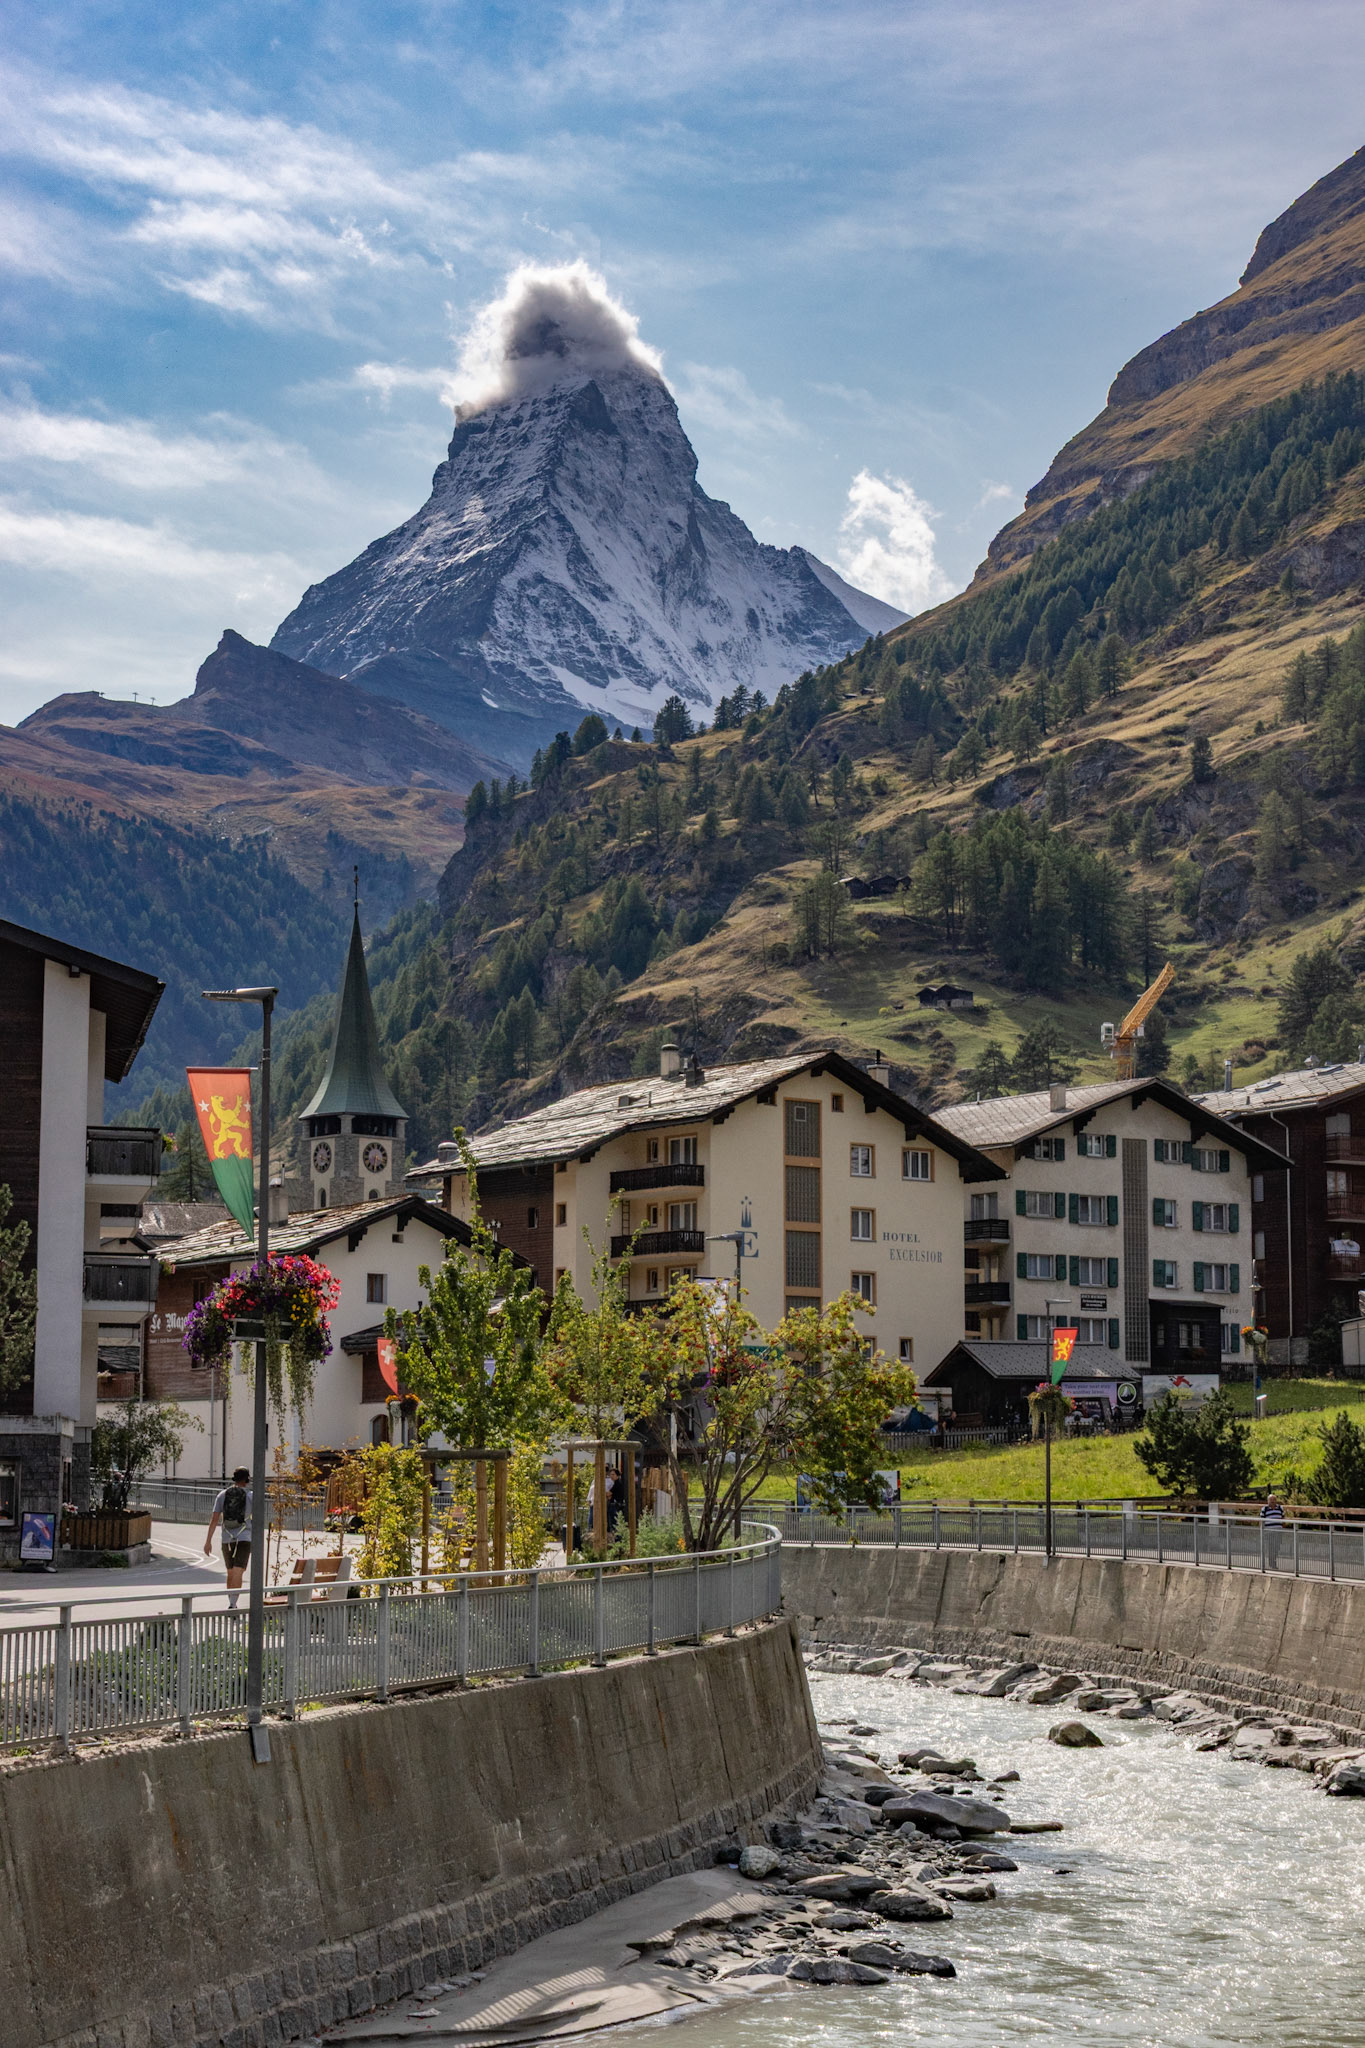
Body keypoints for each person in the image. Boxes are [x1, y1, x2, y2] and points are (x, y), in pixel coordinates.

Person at [205, 1467, 253, 1607]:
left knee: (230, 1572)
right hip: (244, 1537)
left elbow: (214, 1519)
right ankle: (233, 1604)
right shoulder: (251, 1496)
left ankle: (231, 1602)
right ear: (246, 1479)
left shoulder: (222, 1495)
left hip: (227, 1538)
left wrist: (208, 1542)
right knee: (239, 1571)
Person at [1261, 1491, 1285, 1570]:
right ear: (1268, 1501)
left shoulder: (1280, 1508)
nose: (1272, 1501)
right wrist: (1262, 1530)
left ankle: (1273, 1560)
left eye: (1274, 1500)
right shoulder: (1265, 1509)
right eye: (1271, 1500)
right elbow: (1261, 1520)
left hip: (1278, 1531)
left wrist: (1283, 1528)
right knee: (1271, 1547)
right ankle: (1272, 1562)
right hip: (1269, 1531)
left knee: (1277, 1547)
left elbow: (1283, 1518)